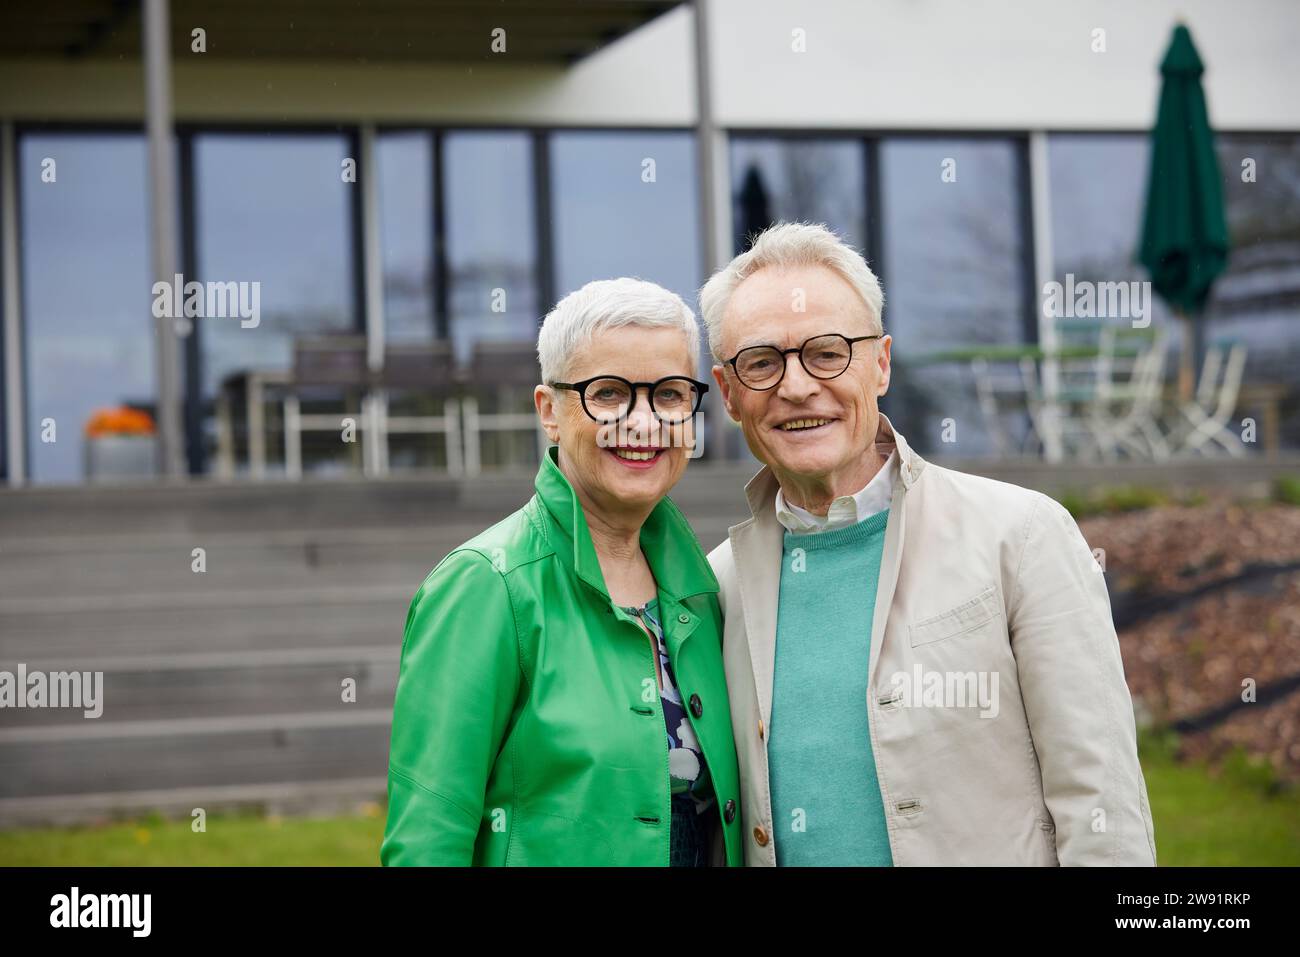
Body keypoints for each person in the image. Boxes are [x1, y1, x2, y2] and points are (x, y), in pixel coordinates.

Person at [701, 221, 1157, 866]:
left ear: (880, 363)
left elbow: (1102, 805)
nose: (797, 386)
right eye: (761, 362)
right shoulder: (718, 586)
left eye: (827, 352)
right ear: (728, 393)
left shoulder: (1021, 536)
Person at [381, 277, 742, 866]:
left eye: (670, 394)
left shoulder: (703, 588)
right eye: (608, 393)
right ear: (549, 411)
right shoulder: (486, 585)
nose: (644, 421)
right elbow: (427, 840)